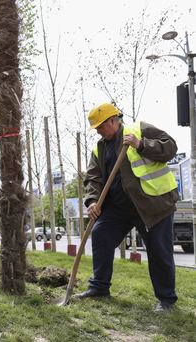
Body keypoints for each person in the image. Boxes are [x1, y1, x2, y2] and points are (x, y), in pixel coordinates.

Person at [77, 103, 179, 312]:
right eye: (95, 128)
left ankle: (166, 299)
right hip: (118, 209)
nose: (97, 131)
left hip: (152, 205)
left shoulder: (139, 130)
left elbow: (170, 147)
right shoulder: (99, 148)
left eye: (100, 126)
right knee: (101, 234)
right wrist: (92, 201)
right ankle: (99, 287)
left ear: (113, 121)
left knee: (159, 251)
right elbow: (93, 179)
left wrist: (141, 144)